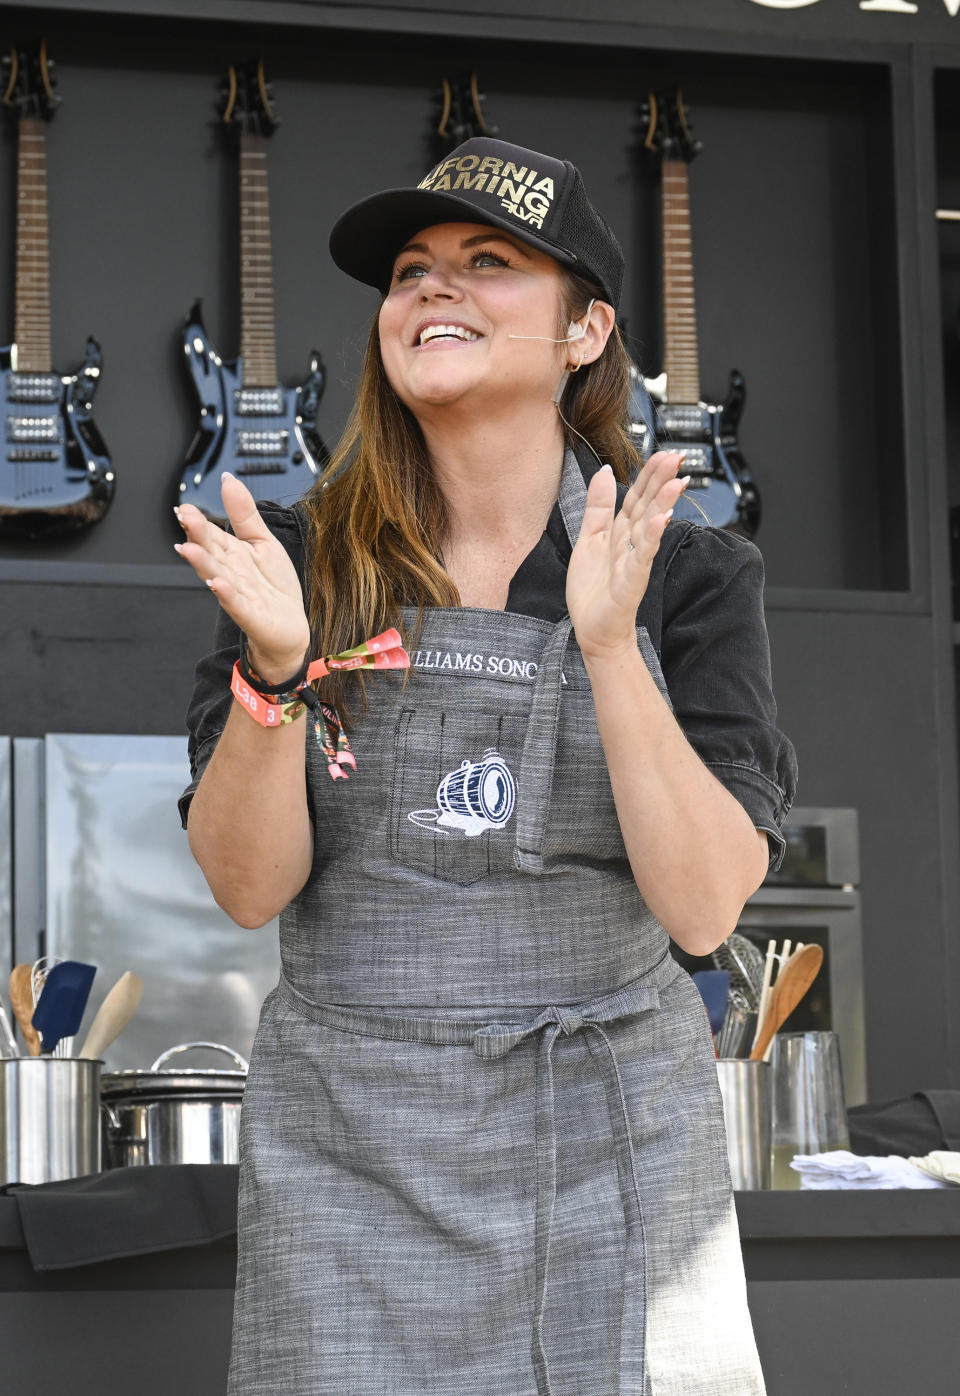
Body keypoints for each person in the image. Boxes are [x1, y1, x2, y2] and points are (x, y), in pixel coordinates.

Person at [176, 135, 796, 1396]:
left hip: (611, 1144)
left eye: (488, 262)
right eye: (410, 271)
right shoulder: (297, 561)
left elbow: (705, 903)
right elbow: (248, 887)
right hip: (353, 1154)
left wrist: (612, 648)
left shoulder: (685, 571)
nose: (431, 290)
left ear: (585, 331)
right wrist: (282, 670)